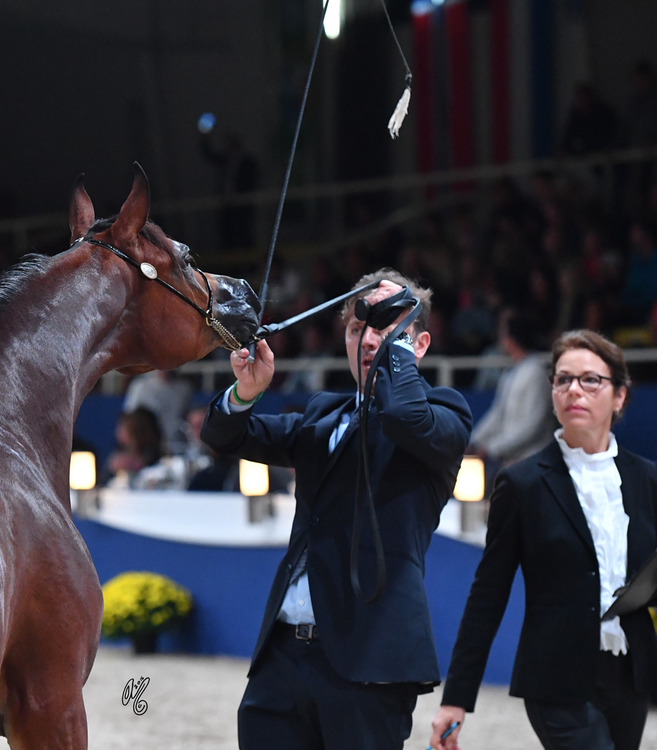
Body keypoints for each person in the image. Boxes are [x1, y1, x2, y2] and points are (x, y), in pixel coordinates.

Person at [200, 268, 472, 749]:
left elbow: (404, 417)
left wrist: (396, 348)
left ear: (421, 344)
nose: (369, 339)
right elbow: (225, 435)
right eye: (356, 327)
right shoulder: (324, 412)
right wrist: (246, 390)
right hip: (281, 658)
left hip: (371, 661)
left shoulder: (446, 414)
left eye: (387, 327)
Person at [431, 330, 657, 750]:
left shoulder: (648, 478)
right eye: (562, 379)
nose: (574, 389)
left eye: (590, 380)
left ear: (620, 397)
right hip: (556, 677)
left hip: (630, 674)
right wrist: (457, 699)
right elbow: (488, 594)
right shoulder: (523, 483)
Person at [469, 310, 556, 478]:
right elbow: (498, 414)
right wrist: (475, 441)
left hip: (534, 463)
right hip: (512, 463)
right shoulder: (511, 373)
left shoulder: (535, 372)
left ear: (512, 337)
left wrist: (491, 448)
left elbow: (532, 424)